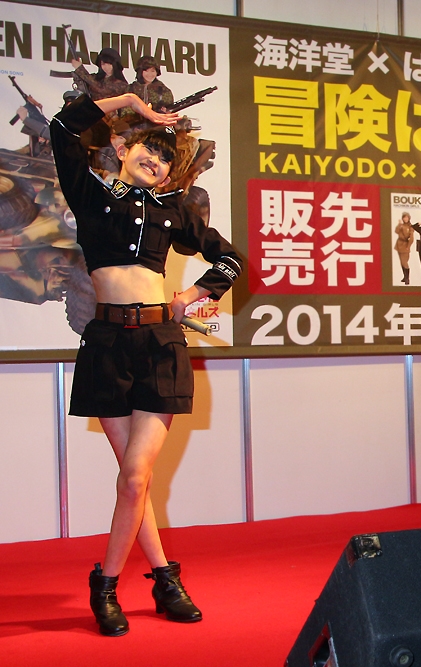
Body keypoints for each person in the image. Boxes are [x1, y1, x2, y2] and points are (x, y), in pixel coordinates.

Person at [51, 92, 243, 635]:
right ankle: (165, 579)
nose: (155, 161)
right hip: (108, 345)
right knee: (134, 484)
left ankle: (106, 584)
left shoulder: (172, 209)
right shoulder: (90, 192)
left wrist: (192, 297)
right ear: (122, 148)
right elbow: (63, 129)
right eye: (147, 149)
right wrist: (133, 101)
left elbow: (230, 258)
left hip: (160, 344)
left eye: (163, 157)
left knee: (135, 477)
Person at [394, 212, 415, 284]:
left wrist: (408, 246)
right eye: (404, 217)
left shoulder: (411, 227)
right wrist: (399, 224)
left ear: (409, 218)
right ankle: (404, 276)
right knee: (401, 262)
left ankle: (407, 278)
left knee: (404, 262)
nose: (405, 219)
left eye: (407, 217)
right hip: (399, 244)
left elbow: (411, 238)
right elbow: (396, 231)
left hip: (405, 245)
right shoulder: (401, 225)